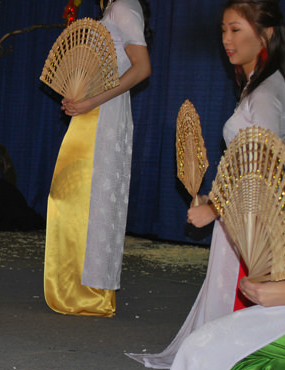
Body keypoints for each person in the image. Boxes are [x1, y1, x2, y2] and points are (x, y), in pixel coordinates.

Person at [128, 1, 285, 368]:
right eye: (223, 30)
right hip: (244, 213)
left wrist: (214, 208)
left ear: (267, 35)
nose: (226, 40)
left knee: (244, 299)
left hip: (255, 222)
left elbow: (267, 165)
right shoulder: (260, 85)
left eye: (236, 30)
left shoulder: (265, 92)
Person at [43, 0, 152, 317]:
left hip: (103, 116)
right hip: (93, 113)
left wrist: (93, 99)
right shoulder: (111, 9)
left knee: (86, 201)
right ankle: (76, 286)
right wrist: (79, 96)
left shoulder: (124, 6)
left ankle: (90, 292)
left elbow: (142, 68)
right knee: (73, 198)